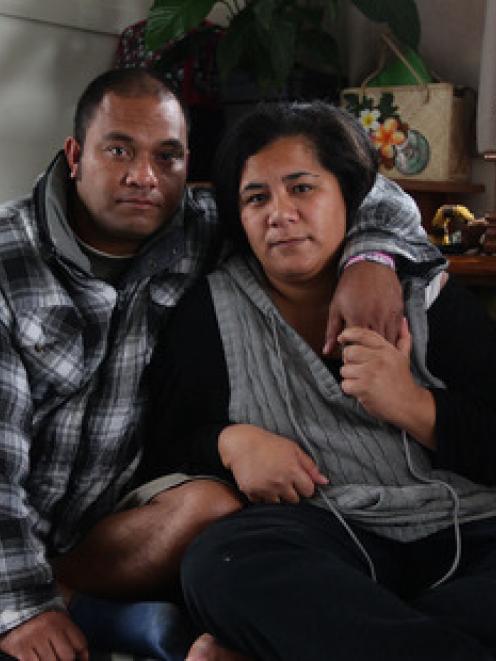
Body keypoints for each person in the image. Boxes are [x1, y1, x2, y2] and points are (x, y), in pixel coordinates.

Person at [0, 67, 442, 659]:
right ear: (75, 155)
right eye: (119, 150)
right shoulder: (10, 259)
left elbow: (361, 187)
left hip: (113, 522)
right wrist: (23, 608)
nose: (143, 177)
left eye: (168, 156)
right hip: (19, 510)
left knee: (215, 509)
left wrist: (373, 258)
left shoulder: (201, 224)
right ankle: (55, 600)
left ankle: (87, 597)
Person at [139, 101, 496, 661]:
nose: (279, 213)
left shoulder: (424, 294)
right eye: (256, 198)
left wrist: (413, 405)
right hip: (322, 537)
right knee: (220, 564)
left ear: (349, 198)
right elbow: (163, 447)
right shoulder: (209, 313)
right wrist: (230, 444)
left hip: (465, 530)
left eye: (302, 188)